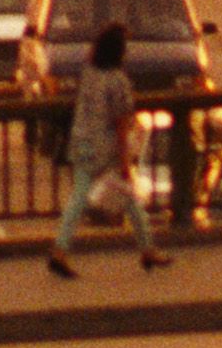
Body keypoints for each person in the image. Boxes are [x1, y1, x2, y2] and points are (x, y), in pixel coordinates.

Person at [48, 20, 160, 275]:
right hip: (105, 149)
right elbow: (121, 124)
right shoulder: (118, 81)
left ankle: (60, 249)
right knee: (129, 198)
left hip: (81, 142)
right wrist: (124, 161)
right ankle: (147, 249)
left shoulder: (89, 73)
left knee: (78, 199)